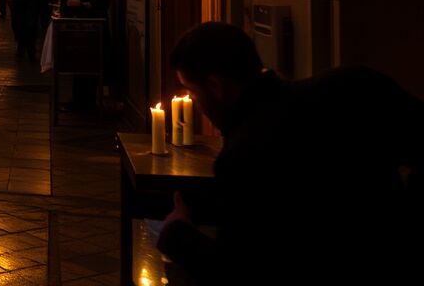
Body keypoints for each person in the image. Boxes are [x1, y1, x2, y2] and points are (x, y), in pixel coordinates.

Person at [157, 22, 424, 285]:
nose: (198, 104)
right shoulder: (354, 85)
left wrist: (177, 233)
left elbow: (240, 270)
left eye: (193, 91)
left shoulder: (243, 154)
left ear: (215, 86)